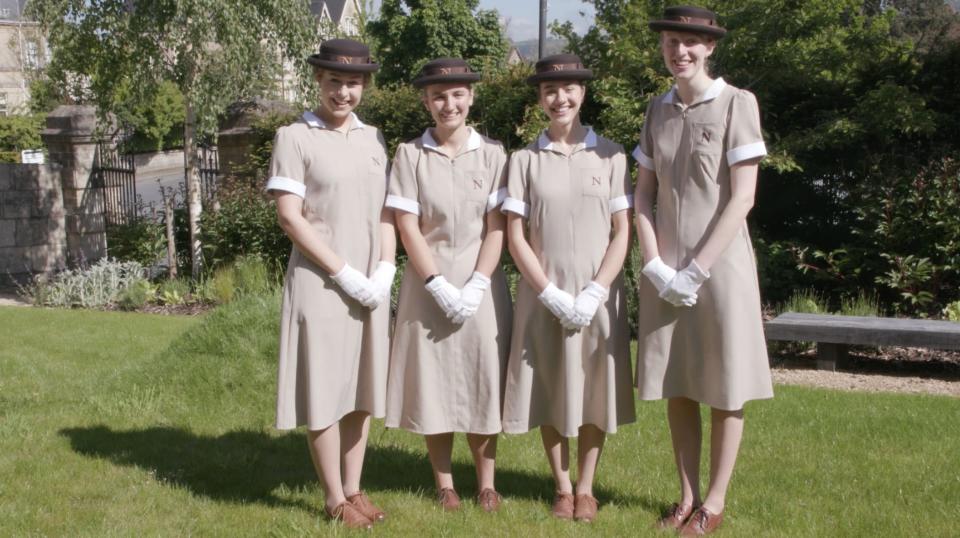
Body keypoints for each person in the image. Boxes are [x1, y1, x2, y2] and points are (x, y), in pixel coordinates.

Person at [633, 6, 774, 536]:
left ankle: (714, 502)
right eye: (672, 41)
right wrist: (654, 264)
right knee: (680, 382)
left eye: (690, 42)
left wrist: (696, 271)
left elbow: (743, 199)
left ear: (710, 47)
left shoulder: (738, 103)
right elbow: (642, 198)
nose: (680, 52)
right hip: (666, 272)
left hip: (721, 271)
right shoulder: (657, 110)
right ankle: (686, 493)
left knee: (724, 384)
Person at [265, 38, 395, 530]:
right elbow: (289, 219)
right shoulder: (294, 137)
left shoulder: (374, 139)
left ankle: (356, 487)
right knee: (324, 389)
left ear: (365, 85)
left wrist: (384, 269)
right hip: (322, 283)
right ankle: (333, 497)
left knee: (360, 390)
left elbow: (387, 210)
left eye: (354, 82)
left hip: (369, 284)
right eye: (336, 81)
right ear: (318, 80)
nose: (344, 92)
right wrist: (343, 273)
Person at [500, 53, 636, 524]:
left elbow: (623, 229)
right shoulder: (524, 160)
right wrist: (549, 292)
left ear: (583, 93)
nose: (560, 98)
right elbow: (515, 235)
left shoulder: (613, 155)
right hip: (545, 297)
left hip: (599, 297)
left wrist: (598, 290)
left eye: (569, 89)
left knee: (596, 388)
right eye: (549, 91)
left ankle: (586, 487)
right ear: (539, 99)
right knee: (551, 384)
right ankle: (560, 486)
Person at [384, 57, 512, 513]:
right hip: (427, 287)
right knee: (433, 384)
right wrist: (436, 282)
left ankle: (488, 485)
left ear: (471, 97)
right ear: (425, 100)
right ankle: (444, 484)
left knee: (482, 380)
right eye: (439, 95)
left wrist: (478, 283)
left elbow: (497, 226)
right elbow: (407, 225)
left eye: (458, 94)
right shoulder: (410, 155)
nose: (449, 103)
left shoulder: (495, 155)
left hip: (483, 286)